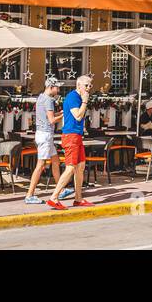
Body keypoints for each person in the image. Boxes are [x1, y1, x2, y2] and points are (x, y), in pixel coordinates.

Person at [47, 74, 93, 209]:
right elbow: (78, 116)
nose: (89, 88)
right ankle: (54, 197)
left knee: (81, 166)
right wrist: (85, 101)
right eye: (86, 85)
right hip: (70, 136)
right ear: (78, 85)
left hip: (77, 135)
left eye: (90, 85)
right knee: (71, 167)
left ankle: (78, 198)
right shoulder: (73, 97)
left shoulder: (78, 97)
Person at [25, 76, 63, 205]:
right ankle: (30, 195)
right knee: (40, 165)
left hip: (43, 134)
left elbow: (48, 116)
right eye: (57, 87)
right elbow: (52, 120)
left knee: (55, 161)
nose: (58, 90)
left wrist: (59, 114)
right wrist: (66, 115)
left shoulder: (41, 97)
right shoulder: (49, 100)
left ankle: (60, 189)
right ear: (50, 87)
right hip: (45, 135)